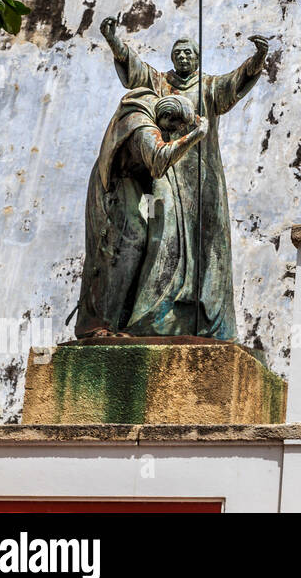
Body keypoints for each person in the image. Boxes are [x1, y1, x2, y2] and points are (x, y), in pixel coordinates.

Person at [97, 17, 268, 338]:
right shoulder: (161, 83)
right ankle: (155, 314)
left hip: (203, 178)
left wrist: (256, 60)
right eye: (179, 53)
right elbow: (135, 69)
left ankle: (202, 318)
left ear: (198, 58)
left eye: (189, 53)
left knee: (206, 244)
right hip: (165, 173)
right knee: (164, 238)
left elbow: (235, 83)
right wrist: (113, 40)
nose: (184, 57)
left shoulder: (208, 87)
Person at [76, 91, 208, 338]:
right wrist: (195, 136)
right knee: (119, 248)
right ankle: (97, 324)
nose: (170, 134)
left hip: (128, 185)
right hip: (116, 186)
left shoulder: (149, 115)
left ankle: (117, 320)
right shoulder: (142, 126)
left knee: (134, 246)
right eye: (172, 127)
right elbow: (158, 160)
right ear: (166, 115)